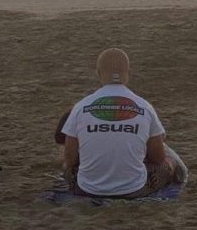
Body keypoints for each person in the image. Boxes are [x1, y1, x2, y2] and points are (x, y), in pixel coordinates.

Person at [60, 48, 187, 198]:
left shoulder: (80, 107)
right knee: (170, 163)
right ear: (128, 74)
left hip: (87, 188)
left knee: (69, 167)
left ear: (98, 73)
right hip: (134, 189)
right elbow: (158, 157)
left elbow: (69, 159)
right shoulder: (144, 107)